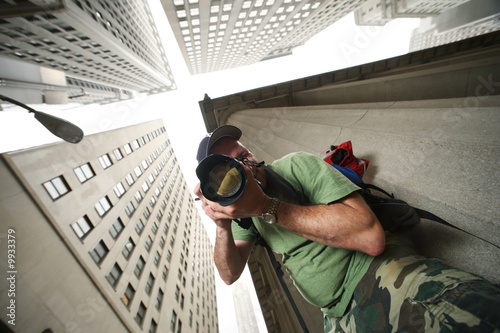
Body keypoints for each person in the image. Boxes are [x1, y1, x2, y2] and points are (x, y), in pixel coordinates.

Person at [194, 125, 500, 332]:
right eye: (229, 169)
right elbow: (229, 274)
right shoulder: (244, 217)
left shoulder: (294, 167)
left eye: (243, 155)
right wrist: (222, 226)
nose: (243, 166)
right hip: (336, 316)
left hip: (381, 273)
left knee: (463, 316)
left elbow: (370, 237)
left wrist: (267, 207)